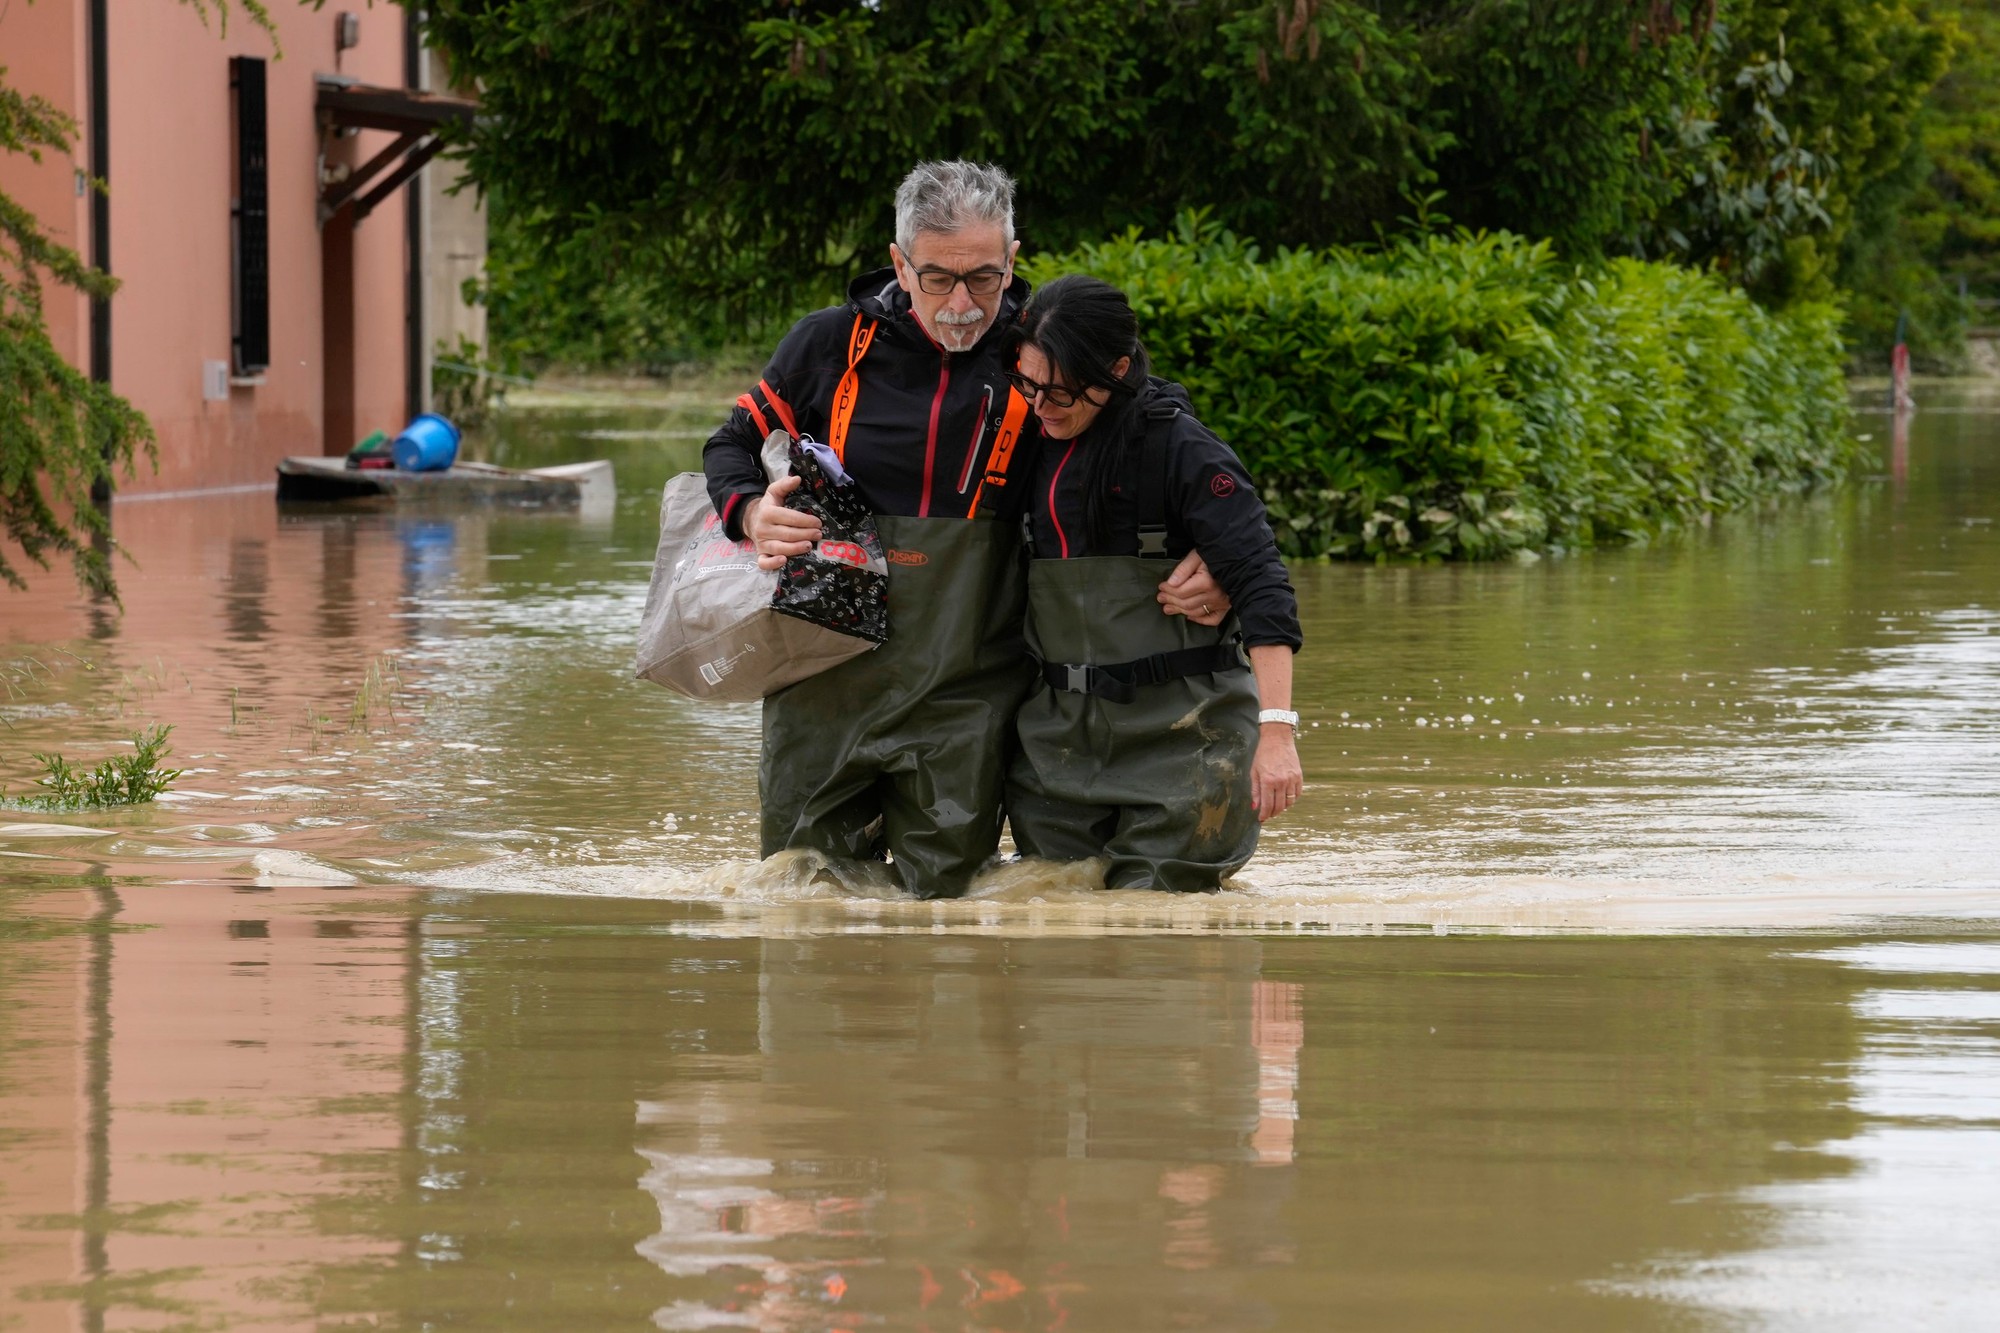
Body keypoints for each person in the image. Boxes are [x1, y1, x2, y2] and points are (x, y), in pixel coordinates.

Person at [702, 161, 1229, 898]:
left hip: (969, 693)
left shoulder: (1045, 351)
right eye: (937, 279)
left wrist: (1217, 554)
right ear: (899, 263)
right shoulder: (827, 346)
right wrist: (751, 511)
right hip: (818, 684)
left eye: (984, 278)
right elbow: (729, 443)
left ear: (1014, 260)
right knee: (799, 898)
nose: (961, 304)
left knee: (944, 913)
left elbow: (1167, 439)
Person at [1003, 275, 1303, 892]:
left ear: (1116, 368)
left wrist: (1277, 736)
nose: (1041, 405)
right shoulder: (1021, 442)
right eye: (1028, 384)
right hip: (1055, 750)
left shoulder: (1182, 449)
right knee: (1055, 923)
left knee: (1160, 941)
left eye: (1060, 391)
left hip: (1186, 745)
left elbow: (1264, 586)